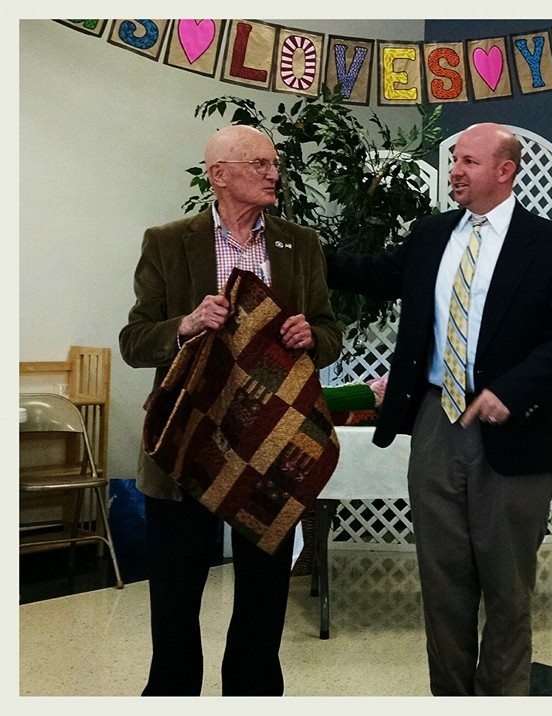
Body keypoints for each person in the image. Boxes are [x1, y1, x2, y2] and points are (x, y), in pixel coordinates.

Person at [326, 122, 552, 695]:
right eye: (454, 162)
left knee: (506, 585)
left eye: (469, 162)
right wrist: (299, 248)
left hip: (514, 432)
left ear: (505, 170)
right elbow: (373, 274)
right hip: (434, 422)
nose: (456, 172)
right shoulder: (431, 235)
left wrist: (511, 391)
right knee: (441, 580)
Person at [119, 124, 342, 696]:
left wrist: (310, 335)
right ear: (219, 175)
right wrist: (187, 325)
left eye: (275, 164)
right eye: (260, 164)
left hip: (272, 453)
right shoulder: (168, 242)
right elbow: (134, 340)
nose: (274, 173)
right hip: (187, 444)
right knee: (173, 602)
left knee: (265, 606)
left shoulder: (301, 244)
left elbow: (330, 333)